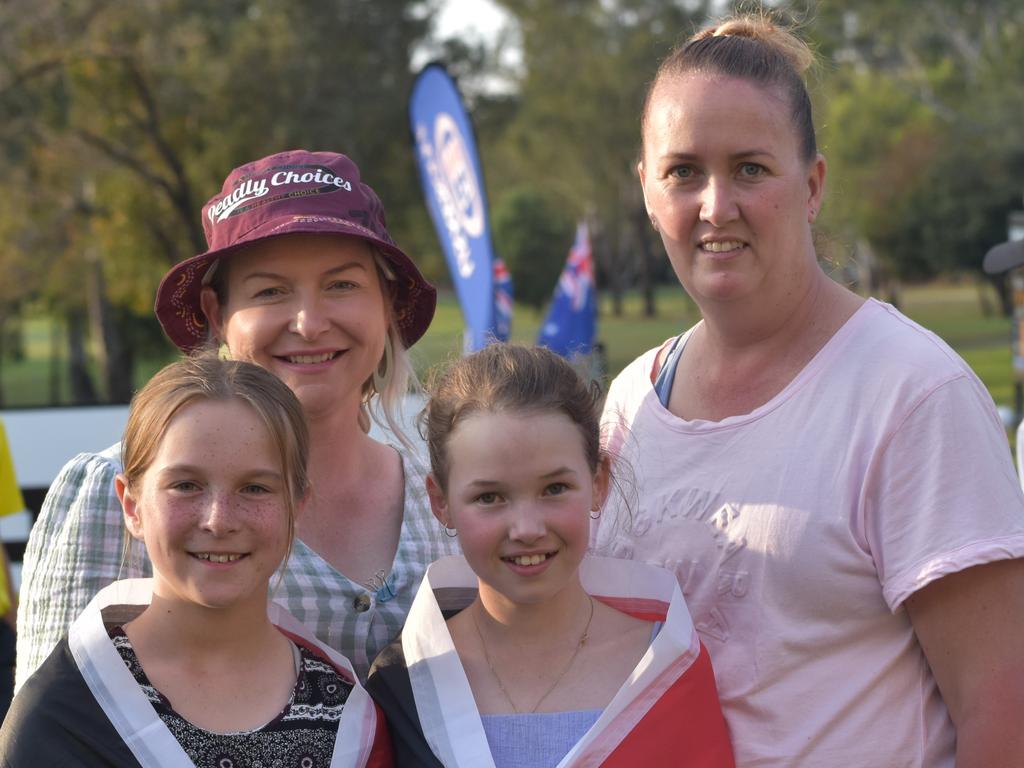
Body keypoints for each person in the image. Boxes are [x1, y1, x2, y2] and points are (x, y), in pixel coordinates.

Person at [593, 12, 1024, 767]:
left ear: (813, 184)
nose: (716, 206)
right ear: (646, 189)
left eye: (751, 169)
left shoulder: (911, 394)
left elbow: (1004, 713)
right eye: (683, 171)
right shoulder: (629, 404)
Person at [17, 149, 458, 688]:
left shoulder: (444, 497)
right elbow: (50, 733)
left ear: (387, 302)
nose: (310, 322)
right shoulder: (120, 497)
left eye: (341, 285)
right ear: (216, 314)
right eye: (271, 291)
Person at [0, 355, 392, 766]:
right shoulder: (67, 714)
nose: (219, 520)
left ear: (297, 505)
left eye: (255, 488)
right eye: (185, 485)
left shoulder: (347, 717)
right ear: (132, 505)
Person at [367, 344, 735, 767]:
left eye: (555, 489)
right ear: (440, 501)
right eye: (489, 496)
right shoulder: (406, 681)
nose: (527, 529)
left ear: (598, 482)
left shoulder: (665, 667)